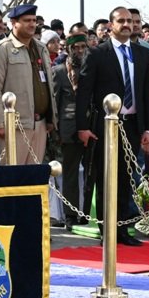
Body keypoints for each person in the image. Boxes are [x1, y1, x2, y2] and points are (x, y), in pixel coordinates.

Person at [76, 6, 149, 246]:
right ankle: (107, 232)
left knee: (126, 179)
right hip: (105, 127)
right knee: (106, 179)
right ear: (111, 25)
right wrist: (82, 126)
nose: (127, 25)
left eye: (130, 21)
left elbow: (148, 94)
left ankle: (123, 229)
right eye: (121, 21)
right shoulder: (98, 53)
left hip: (132, 125)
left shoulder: (142, 54)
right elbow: (84, 94)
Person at [0, 4, 57, 165]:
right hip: (14, 126)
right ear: (13, 23)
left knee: (33, 179)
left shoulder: (40, 48)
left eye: (34, 20)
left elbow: (48, 84)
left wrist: (52, 118)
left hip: (40, 124)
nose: (32, 24)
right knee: (11, 179)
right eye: (26, 21)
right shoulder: (3, 49)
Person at [52, 32, 90, 229]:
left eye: (83, 47)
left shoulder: (91, 69)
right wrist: (56, 130)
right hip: (68, 130)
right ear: (68, 49)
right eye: (75, 48)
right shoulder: (59, 72)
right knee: (70, 175)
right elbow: (55, 103)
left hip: (91, 129)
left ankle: (87, 214)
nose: (79, 51)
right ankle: (70, 215)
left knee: (91, 174)